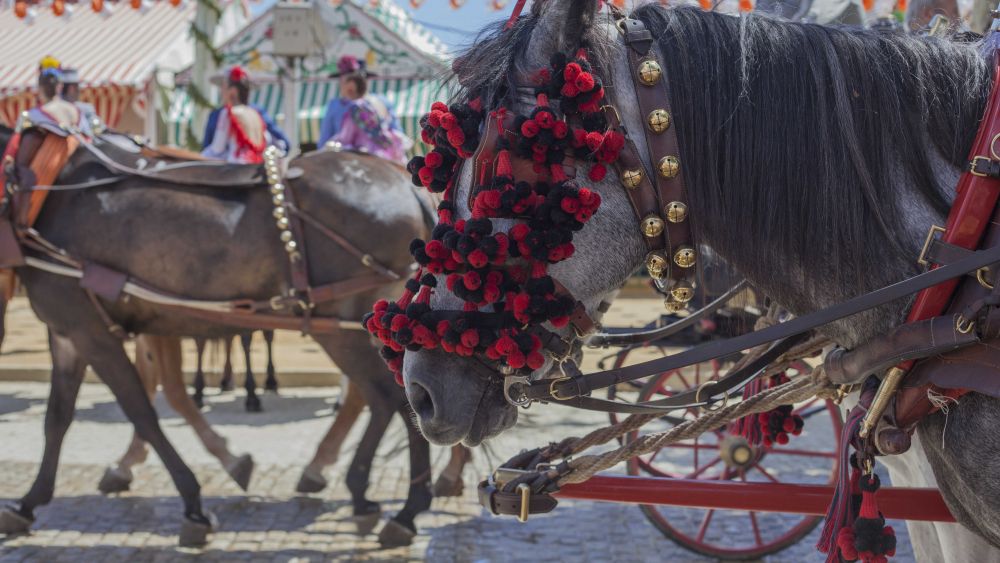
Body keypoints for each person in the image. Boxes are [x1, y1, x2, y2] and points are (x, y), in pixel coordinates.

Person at [202, 66, 289, 156]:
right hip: (257, 164)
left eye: (223, 87)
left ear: (233, 91)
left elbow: (216, 148)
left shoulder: (222, 113)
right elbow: (283, 143)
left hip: (229, 166)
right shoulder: (257, 112)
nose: (221, 92)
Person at [318, 55, 402, 148]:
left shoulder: (337, 105)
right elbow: (396, 134)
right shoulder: (382, 102)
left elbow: (326, 139)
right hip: (377, 154)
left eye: (345, 81)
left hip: (356, 154)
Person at [330, 72, 412, 164]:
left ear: (350, 89)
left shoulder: (355, 107)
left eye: (343, 85)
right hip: (389, 149)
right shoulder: (377, 102)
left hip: (368, 151)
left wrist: (331, 144)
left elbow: (346, 136)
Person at [20, 56, 90, 135]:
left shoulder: (33, 115)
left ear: (40, 88)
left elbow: (16, 144)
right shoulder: (76, 111)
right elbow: (88, 138)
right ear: (60, 86)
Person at [60, 68, 103, 133]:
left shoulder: (51, 108)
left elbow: (97, 126)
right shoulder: (86, 108)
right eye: (77, 86)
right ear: (71, 88)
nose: (79, 90)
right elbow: (97, 128)